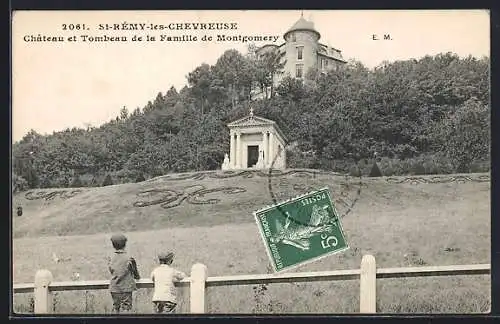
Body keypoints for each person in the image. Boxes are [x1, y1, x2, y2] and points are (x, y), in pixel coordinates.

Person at [108, 233, 140, 314]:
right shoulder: (129, 258)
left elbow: (111, 270)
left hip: (114, 287)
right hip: (126, 288)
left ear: (113, 245)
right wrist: (137, 277)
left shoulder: (111, 258)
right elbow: (135, 271)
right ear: (125, 245)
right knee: (126, 308)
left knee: (116, 308)